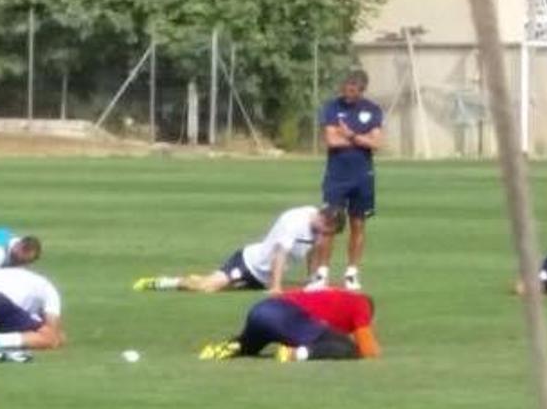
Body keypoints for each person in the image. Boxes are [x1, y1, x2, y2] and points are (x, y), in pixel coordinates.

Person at [133, 205, 345, 295]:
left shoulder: (318, 227)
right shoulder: (295, 222)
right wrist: (276, 287)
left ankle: (201, 278)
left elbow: (312, 251)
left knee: (221, 286)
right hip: (248, 264)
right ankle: (165, 282)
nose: (325, 236)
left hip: (261, 278)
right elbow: (279, 257)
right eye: (327, 231)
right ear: (323, 218)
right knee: (207, 288)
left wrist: (313, 279)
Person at [308, 70, 383, 291]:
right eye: (346, 89)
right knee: (329, 223)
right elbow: (331, 140)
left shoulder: (373, 110)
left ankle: (351, 273)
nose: (347, 94)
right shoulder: (332, 107)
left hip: (362, 176)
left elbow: (377, 144)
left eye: (353, 90)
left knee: (358, 224)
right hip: (337, 176)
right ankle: (321, 274)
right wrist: (363, 139)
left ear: (361, 90)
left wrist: (350, 135)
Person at [199, 288, 381, 362]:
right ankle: (295, 353)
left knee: (249, 346)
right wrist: (371, 349)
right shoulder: (361, 304)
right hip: (284, 316)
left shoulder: (333, 295)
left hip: (261, 309)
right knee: (350, 348)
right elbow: (367, 348)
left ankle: (231, 346)